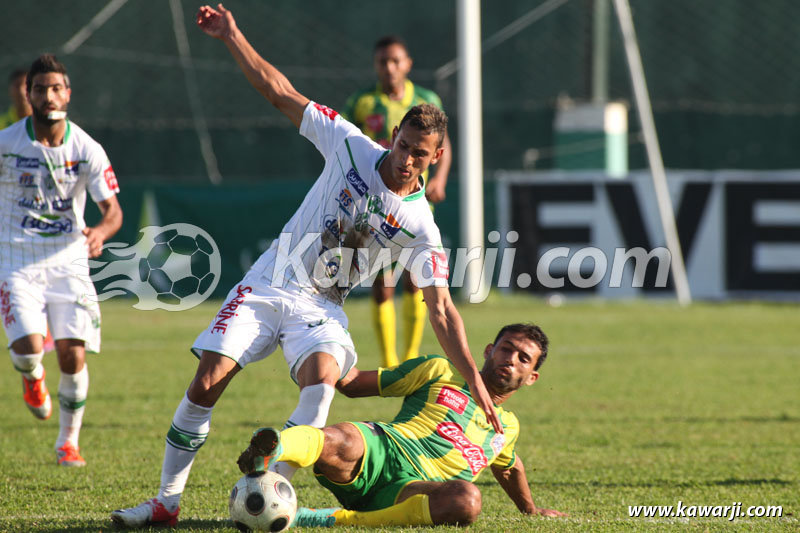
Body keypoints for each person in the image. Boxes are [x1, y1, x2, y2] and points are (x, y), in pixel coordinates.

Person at [110, 4, 501, 528]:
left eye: (419, 155)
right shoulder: (350, 145)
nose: (405, 160)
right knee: (206, 383)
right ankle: (165, 503)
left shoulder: (420, 226)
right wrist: (231, 35)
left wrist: (474, 377)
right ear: (393, 135)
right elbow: (279, 91)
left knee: (321, 384)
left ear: (436, 156)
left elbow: (443, 310)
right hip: (271, 282)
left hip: (323, 308)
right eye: (403, 145)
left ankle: (276, 500)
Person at [237, 323, 566, 528]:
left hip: (413, 491)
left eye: (524, 358)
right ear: (489, 351)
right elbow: (352, 384)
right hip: (382, 450)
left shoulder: (507, 428)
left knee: (467, 501)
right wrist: (325, 347)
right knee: (342, 437)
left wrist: (531, 510)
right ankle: (273, 448)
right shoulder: (440, 370)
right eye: (507, 349)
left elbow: (509, 468)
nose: (511, 359)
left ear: (532, 378)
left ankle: (327, 520)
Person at [0, 54, 123, 467]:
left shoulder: (87, 148)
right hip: (17, 258)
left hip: (69, 260)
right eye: (40, 89)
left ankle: (67, 443)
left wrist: (100, 232)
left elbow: (113, 211)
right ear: (28, 95)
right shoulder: (7, 145)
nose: (48, 96)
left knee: (73, 355)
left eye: (56, 88)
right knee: (30, 351)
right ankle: (32, 376)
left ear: (67, 93)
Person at [343, 35, 452, 368]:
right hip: (375, 203)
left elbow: (444, 145)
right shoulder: (362, 102)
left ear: (408, 64)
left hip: (414, 199)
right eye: (382, 61)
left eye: (395, 61)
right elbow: (345, 142)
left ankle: (409, 356)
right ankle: (390, 361)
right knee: (382, 282)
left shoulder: (426, 98)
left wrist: (439, 180)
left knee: (416, 278)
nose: (389, 68)